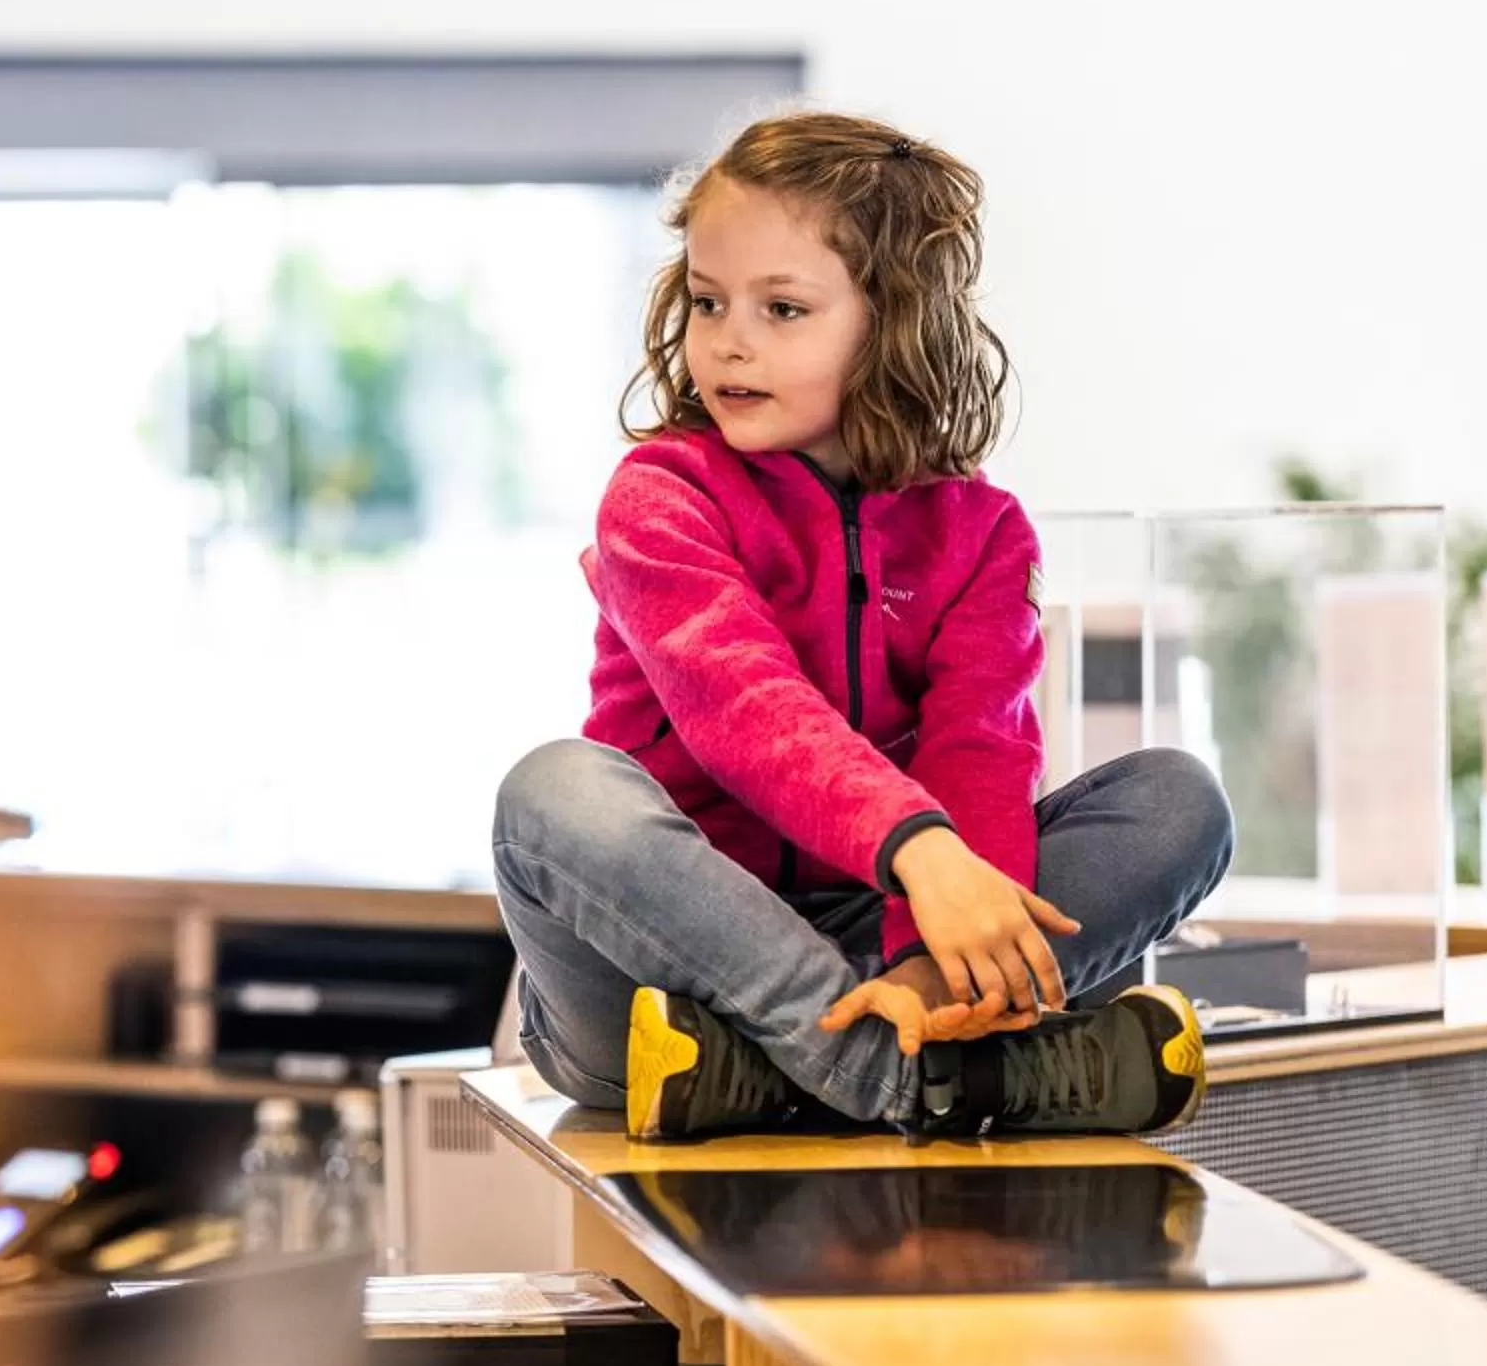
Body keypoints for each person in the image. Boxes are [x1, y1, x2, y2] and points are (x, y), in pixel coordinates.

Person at [492, 112, 1234, 1142]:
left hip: (871, 955)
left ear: (892, 324)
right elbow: (746, 709)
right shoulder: (659, 497)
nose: (729, 339)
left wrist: (933, 971)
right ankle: (921, 1079)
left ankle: (809, 1066)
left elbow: (980, 754)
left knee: (1177, 799)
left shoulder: (981, 534)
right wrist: (918, 849)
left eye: (782, 308)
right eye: (708, 302)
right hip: (654, 979)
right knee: (551, 792)